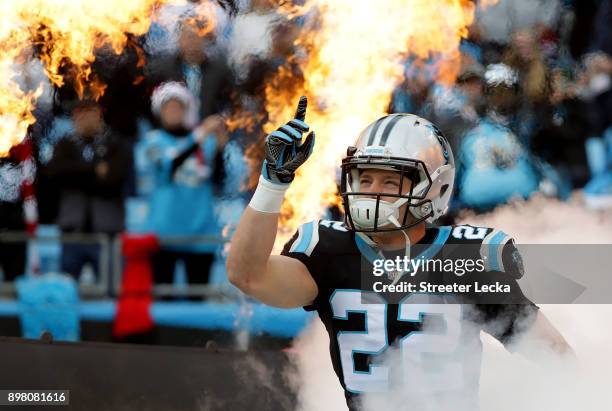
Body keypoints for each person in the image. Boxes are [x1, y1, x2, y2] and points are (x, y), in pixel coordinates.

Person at [226, 97, 572, 410]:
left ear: (435, 188)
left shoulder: (467, 258)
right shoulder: (330, 252)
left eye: (390, 183)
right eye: (364, 179)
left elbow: (556, 357)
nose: (372, 192)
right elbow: (248, 275)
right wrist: (273, 184)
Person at [139, 82, 226, 290]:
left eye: (178, 107)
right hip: (163, 234)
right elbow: (169, 166)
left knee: (198, 301)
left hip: (200, 233)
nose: (173, 112)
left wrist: (221, 149)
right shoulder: (153, 142)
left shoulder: (205, 141)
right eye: (168, 107)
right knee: (162, 298)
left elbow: (220, 179)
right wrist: (199, 136)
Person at [45, 100, 130, 286]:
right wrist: (94, 171)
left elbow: (114, 178)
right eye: (79, 113)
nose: (84, 118)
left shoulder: (115, 142)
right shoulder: (65, 144)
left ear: (99, 114)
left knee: (112, 289)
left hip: (107, 233)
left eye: (89, 112)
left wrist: (76, 175)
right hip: (73, 232)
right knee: (66, 290)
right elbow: (55, 172)